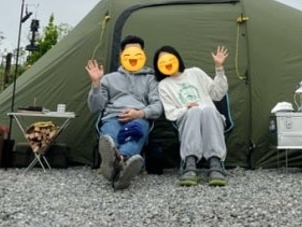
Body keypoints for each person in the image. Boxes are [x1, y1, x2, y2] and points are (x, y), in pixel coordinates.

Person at [86, 35, 162, 190]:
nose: (133, 56)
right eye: (129, 52)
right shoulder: (108, 79)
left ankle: (117, 163)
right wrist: (95, 84)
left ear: (143, 54)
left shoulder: (151, 79)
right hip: (113, 117)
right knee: (111, 139)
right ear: (122, 55)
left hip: (139, 117)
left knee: (133, 136)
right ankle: (122, 167)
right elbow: (95, 107)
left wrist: (140, 113)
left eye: (137, 52)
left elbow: (158, 106)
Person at [153, 44, 229, 186]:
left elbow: (218, 94)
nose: (167, 62)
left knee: (207, 110)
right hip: (187, 119)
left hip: (210, 117)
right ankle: (190, 163)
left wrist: (219, 68)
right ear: (158, 66)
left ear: (177, 58)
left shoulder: (195, 73)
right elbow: (170, 113)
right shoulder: (164, 85)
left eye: (169, 58)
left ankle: (215, 163)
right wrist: (185, 108)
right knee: (193, 111)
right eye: (162, 61)